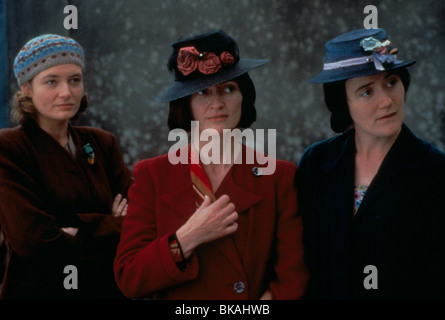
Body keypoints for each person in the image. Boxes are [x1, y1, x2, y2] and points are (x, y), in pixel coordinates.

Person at [113, 29, 308, 300]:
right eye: (202, 92)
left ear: (244, 97)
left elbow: (293, 275)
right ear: (186, 105)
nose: (217, 103)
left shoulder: (278, 175)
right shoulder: (153, 174)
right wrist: (187, 237)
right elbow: (129, 277)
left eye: (228, 89)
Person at [297, 27, 445, 299]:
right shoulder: (316, 163)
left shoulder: (435, 171)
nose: (387, 101)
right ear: (344, 104)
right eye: (367, 92)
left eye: (391, 82)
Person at [0, 34, 133, 299]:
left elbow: (137, 224)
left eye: (75, 80)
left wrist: (75, 227)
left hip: (105, 290)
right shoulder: (10, 147)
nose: (66, 92)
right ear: (26, 88)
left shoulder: (102, 143)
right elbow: (34, 242)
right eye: (51, 81)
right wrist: (110, 222)